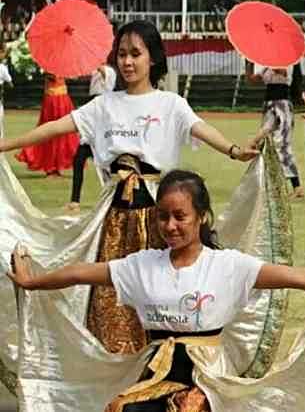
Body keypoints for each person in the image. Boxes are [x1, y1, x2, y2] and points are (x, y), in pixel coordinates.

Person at [7, 169, 305, 411]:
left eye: (180, 216)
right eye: (163, 217)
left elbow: (293, 276)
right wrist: (32, 281)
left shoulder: (227, 266)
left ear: (201, 217)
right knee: (122, 408)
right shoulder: (142, 265)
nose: (170, 225)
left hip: (207, 375)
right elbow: (83, 273)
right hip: (155, 368)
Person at [0, 20, 262, 356]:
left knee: (160, 294)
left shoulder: (171, 104)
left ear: (152, 58)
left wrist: (235, 151)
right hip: (113, 219)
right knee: (109, 295)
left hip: (160, 217)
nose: (127, 61)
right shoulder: (104, 106)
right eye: (121, 54)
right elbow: (54, 128)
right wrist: (7, 145)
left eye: (135, 54)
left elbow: (202, 129)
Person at [65, 63, 118, 213]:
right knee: (78, 160)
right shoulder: (95, 72)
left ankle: (113, 198)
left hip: (105, 121)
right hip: (93, 114)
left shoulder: (110, 72)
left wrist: (96, 63)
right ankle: (74, 201)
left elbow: (107, 79)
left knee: (108, 167)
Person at [15, 74, 80, 177]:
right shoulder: (50, 65)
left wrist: (67, 74)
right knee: (50, 132)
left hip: (62, 98)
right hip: (53, 99)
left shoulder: (61, 66)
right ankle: (51, 167)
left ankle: (57, 166)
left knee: (65, 132)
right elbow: (52, 77)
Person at [256, 63, 304, 198]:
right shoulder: (266, 62)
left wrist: (269, 63)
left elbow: (283, 72)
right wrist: (248, 64)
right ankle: (275, 186)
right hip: (269, 103)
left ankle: (297, 186)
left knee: (282, 144)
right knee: (266, 143)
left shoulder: (287, 60)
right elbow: (253, 79)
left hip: (282, 103)